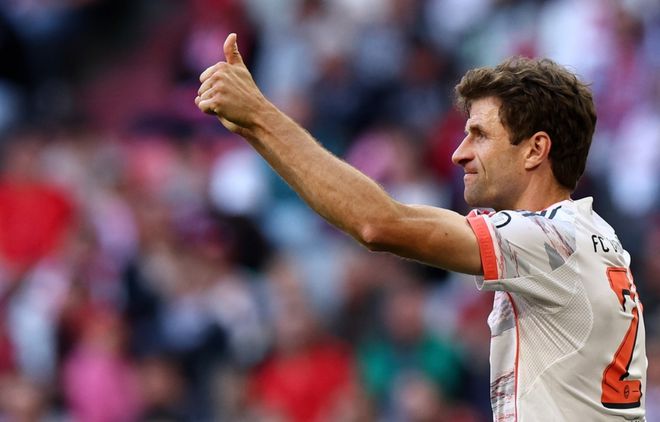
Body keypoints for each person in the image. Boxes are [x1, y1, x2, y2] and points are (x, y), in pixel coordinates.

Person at [195, 33, 647, 421]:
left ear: (535, 150)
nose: (459, 153)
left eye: (479, 134)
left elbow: (378, 223)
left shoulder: (549, 240)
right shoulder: (594, 237)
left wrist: (260, 116)